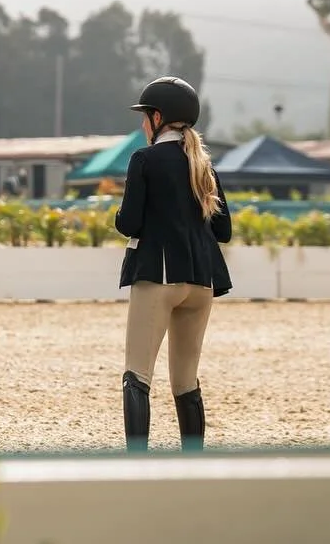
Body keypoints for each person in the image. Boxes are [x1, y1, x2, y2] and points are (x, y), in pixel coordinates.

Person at [115, 75, 232, 453]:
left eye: (145, 116)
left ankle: (138, 460)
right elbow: (224, 229)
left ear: (159, 117)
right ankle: (193, 460)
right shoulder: (204, 164)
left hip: (158, 276)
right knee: (185, 379)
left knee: (137, 374)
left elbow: (129, 223)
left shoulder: (144, 160)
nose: (141, 124)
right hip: (201, 281)